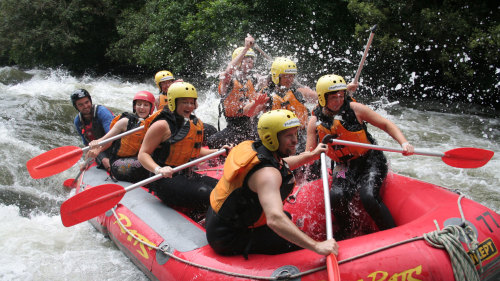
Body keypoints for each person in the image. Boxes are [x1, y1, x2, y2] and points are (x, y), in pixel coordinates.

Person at [206, 109, 339, 258]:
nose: (295, 140)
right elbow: (274, 219)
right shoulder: (267, 175)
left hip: (219, 220)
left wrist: (310, 155)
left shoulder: (259, 149)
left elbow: (281, 165)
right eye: (289, 136)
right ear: (271, 138)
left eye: (295, 134)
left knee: (287, 217)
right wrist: (317, 246)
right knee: (295, 243)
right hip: (228, 237)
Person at [306, 74, 415, 240]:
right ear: (322, 98)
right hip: (343, 165)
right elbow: (309, 153)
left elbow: (386, 124)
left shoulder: (356, 109)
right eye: (333, 97)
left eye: (341, 96)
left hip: (370, 160)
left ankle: (395, 235)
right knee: (337, 196)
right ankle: (348, 232)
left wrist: (404, 143)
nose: (338, 100)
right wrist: (312, 155)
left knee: (368, 197)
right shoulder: (314, 121)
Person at [138, 82, 230, 215]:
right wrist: (158, 169)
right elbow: (143, 154)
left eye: (192, 102)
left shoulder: (195, 122)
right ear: (173, 102)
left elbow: (196, 152)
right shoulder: (162, 125)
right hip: (164, 180)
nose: (189, 106)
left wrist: (219, 151)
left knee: (225, 189)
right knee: (207, 193)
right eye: (184, 102)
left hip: (187, 174)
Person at [206, 35, 268, 148]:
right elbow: (229, 70)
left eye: (251, 62)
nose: (248, 64)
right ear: (238, 61)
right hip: (234, 127)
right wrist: (245, 49)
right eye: (245, 61)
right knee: (211, 141)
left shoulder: (254, 79)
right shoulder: (227, 81)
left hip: (252, 125)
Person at [86, 91, 157, 182]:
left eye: (146, 105)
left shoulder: (153, 124)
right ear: (135, 106)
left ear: (151, 108)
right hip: (118, 163)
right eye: (139, 104)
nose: (142, 108)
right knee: (144, 164)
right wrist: (96, 146)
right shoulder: (125, 122)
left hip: (139, 158)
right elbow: (106, 139)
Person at [260, 57, 315, 152]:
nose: (290, 80)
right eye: (286, 76)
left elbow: (321, 95)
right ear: (277, 76)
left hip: (300, 136)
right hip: (278, 138)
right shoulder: (267, 95)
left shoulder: (298, 91)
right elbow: (249, 112)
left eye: (292, 76)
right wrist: (254, 105)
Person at [71, 89, 114, 172]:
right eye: (81, 105)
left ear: (90, 101)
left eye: (87, 102)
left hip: (114, 143)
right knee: (104, 161)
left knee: (107, 162)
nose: (85, 106)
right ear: (76, 107)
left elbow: (112, 138)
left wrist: (97, 151)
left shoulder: (102, 112)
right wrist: (86, 160)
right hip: (99, 148)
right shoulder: (78, 121)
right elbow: (87, 145)